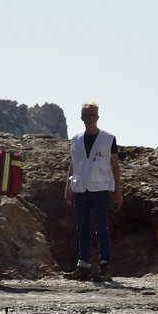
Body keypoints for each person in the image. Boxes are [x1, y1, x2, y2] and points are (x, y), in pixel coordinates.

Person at [65, 102, 122, 281]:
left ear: (98, 117)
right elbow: (73, 164)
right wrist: (67, 187)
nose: (90, 119)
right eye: (87, 115)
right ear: (82, 117)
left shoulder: (108, 139)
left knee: (102, 228)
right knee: (82, 228)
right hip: (81, 188)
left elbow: (115, 166)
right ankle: (84, 266)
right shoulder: (75, 140)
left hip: (101, 189)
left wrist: (118, 191)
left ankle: (105, 267)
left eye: (93, 115)